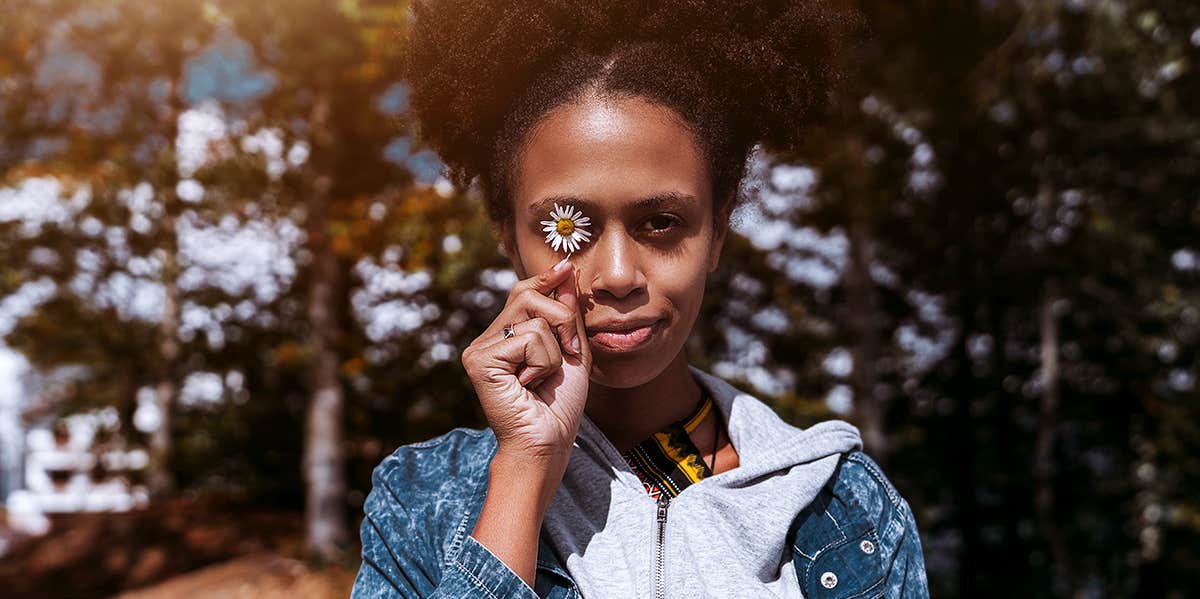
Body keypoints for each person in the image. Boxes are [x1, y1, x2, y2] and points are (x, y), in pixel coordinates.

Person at [352, 1, 930, 597]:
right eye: (567, 227)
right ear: (508, 237)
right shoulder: (420, 499)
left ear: (719, 230)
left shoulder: (845, 510)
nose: (618, 275)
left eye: (660, 222)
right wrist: (523, 471)